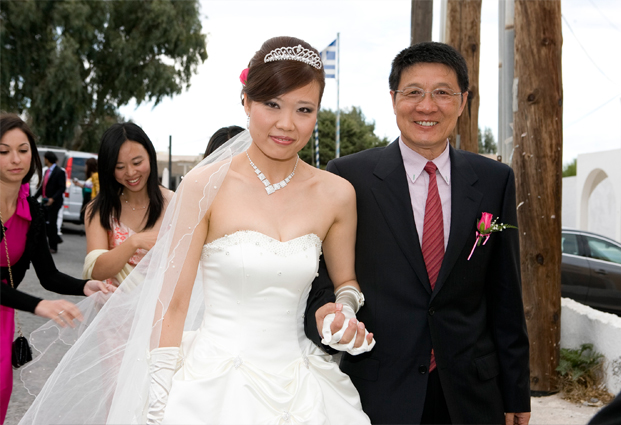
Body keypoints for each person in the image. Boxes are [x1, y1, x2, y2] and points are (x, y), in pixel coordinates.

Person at [18, 36, 374, 425]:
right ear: (246, 101)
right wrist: (157, 399)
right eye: (272, 104)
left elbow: (347, 283)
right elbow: (173, 303)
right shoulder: (204, 185)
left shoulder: (337, 194)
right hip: (212, 385)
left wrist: (344, 312)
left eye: (303, 109)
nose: (286, 123)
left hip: (303, 386)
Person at [306, 41, 531, 424]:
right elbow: (321, 276)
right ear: (393, 99)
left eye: (442, 93)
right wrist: (331, 317)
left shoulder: (495, 180)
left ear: (462, 102)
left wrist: (516, 391)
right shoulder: (348, 177)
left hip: (471, 393)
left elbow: (505, 294)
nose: (427, 106)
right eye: (413, 92)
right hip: (376, 387)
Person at [0, 114, 114, 423]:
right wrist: (39, 305)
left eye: (23, 150)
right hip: (7, 304)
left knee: (0, 395)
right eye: (3, 151)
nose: (15, 159)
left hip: (3, 314)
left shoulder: (31, 210)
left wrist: (84, 286)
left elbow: (48, 275)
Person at [83, 123, 173, 287]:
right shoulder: (100, 209)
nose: (131, 173)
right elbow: (96, 271)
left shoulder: (176, 203)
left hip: (164, 309)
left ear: (150, 157)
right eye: (120, 167)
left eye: (137, 163)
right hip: (114, 309)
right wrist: (134, 242)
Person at [34, 151, 65, 253]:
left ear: (47, 159)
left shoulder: (60, 172)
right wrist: (34, 197)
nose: (44, 160)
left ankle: (53, 246)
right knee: (44, 223)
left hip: (55, 202)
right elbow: (43, 187)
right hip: (45, 201)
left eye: (45, 158)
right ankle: (55, 238)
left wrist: (53, 198)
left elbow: (62, 188)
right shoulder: (47, 171)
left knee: (52, 223)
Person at [72, 157, 98, 224]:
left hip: (91, 200)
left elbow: (97, 189)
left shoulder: (95, 176)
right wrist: (78, 184)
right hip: (88, 200)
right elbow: (89, 187)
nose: (85, 168)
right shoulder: (91, 177)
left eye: (86, 166)